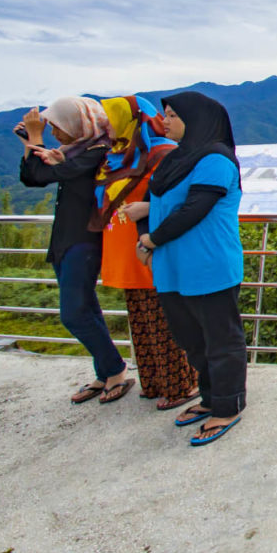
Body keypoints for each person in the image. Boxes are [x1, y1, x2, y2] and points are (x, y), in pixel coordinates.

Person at [134, 91, 247, 447]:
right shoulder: (173, 162)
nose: (164, 121)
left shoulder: (216, 160)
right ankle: (211, 397)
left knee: (221, 340)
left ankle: (228, 405)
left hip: (209, 265)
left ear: (195, 119)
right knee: (191, 339)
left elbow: (194, 209)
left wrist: (150, 241)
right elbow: (150, 205)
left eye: (172, 115)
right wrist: (145, 238)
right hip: (172, 268)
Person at [16, 96, 133, 404]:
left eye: (57, 127)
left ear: (78, 123)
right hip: (65, 239)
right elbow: (32, 178)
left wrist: (36, 140)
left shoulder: (97, 152)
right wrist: (30, 143)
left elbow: (48, 174)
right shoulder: (73, 152)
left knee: (73, 314)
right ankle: (104, 373)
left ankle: (116, 369)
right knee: (86, 308)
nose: (55, 134)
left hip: (85, 240)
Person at [96, 96, 198, 411]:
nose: (106, 128)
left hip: (157, 248)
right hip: (129, 252)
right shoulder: (119, 157)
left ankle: (181, 384)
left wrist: (148, 212)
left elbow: (184, 201)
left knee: (166, 320)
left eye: (110, 121)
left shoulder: (162, 154)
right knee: (141, 319)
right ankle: (153, 382)